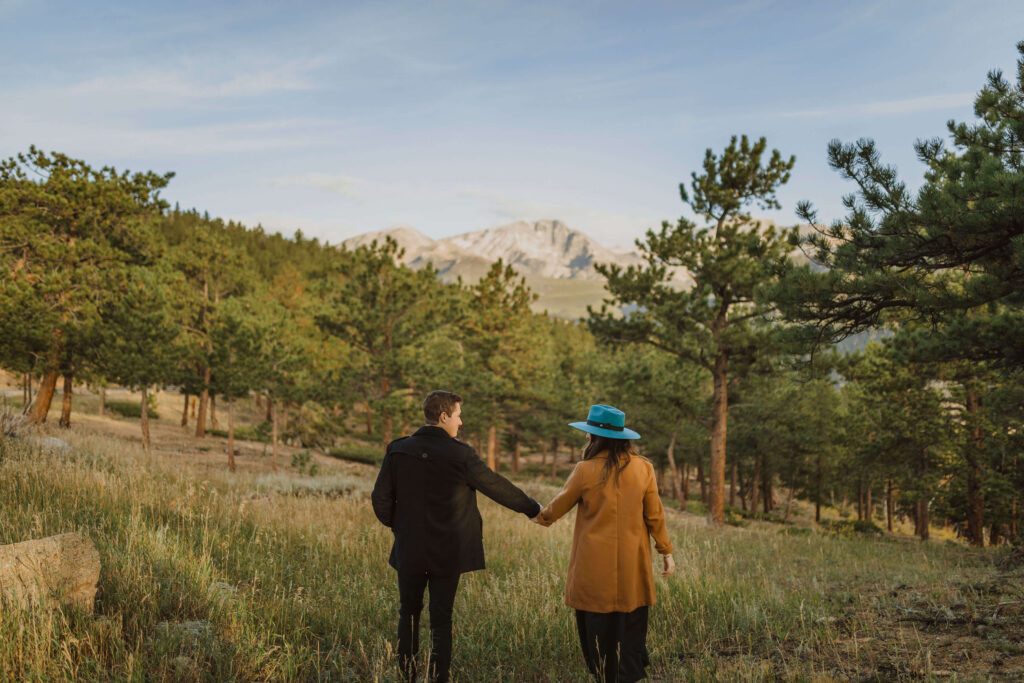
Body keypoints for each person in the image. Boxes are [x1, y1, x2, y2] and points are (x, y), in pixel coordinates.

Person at [371, 390, 541, 683]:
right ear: (444, 416)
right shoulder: (461, 454)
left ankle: (406, 676)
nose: (460, 423)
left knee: (407, 613)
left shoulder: (398, 450)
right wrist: (533, 509)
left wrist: (402, 528)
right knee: (441, 618)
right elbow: (495, 485)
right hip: (448, 552)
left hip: (409, 547)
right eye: (458, 415)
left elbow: (380, 500)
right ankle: (439, 677)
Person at [534, 404, 675, 683]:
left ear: (595, 437)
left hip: (593, 573)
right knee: (630, 631)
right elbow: (655, 516)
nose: (586, 438)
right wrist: (666, 552)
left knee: (598, 637)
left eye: (588, 434)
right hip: (633, 570)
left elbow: (554, 510)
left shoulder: (584, 469)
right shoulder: (644, 468)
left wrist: (537, 514)